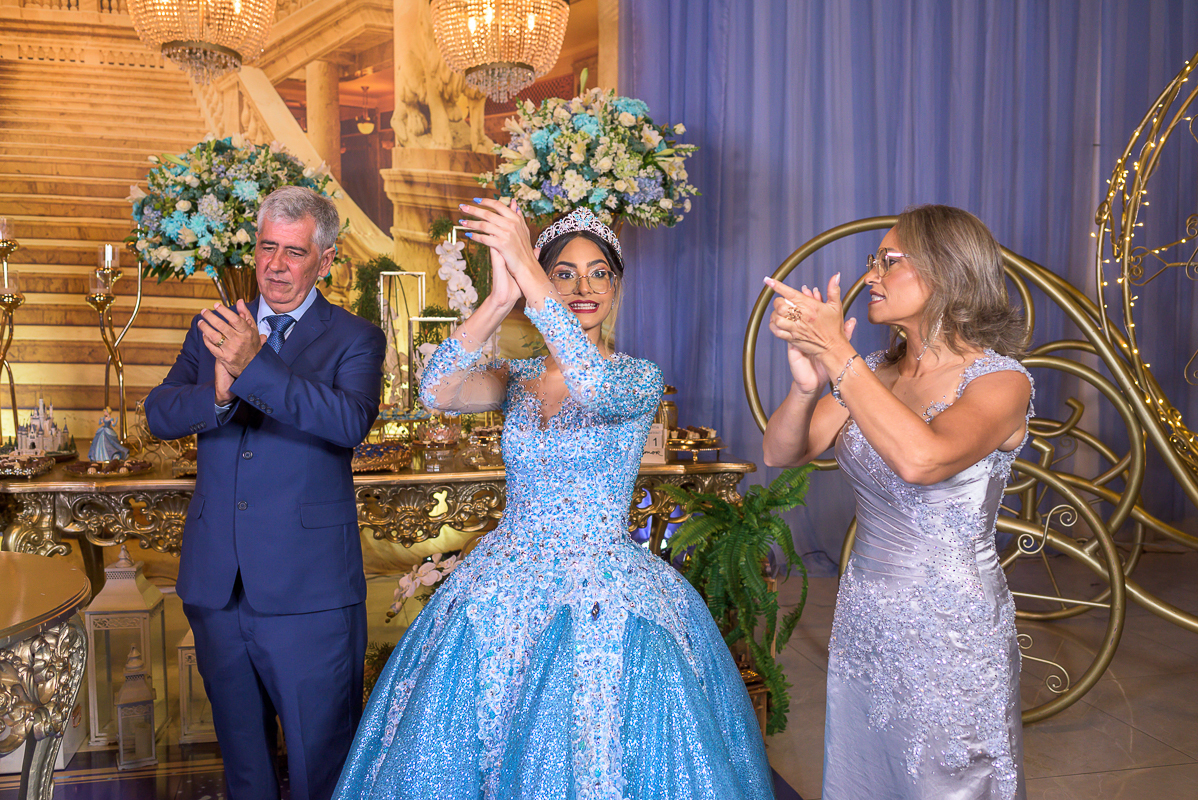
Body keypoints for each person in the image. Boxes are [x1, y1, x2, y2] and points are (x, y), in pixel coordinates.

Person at [334, 204, 775, 800]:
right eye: (563, 274)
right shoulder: (517, 378)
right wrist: (500, 298)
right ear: (539, 282)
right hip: (504, 578)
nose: (583, 287)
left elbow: (590, 383)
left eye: (599, 273)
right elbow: (436, 390)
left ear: (617, 287)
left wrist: (530, 270)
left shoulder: (635, 378)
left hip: (602, 586)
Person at [761, 205, 1031, 800]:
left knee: (947, 781)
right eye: (872, 261)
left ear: (947, 269)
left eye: (889, 262)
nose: (870, 276)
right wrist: (806, 387)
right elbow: (782, 451)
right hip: (866, 618)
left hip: (951, 628)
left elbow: (923, 460)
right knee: (869, 777)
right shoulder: (874, 373)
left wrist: (837, 353)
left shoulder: (1001, 381)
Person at [145, 186, 386, 800]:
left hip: (310, 594)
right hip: (217, 588)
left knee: (319, 767)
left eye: (294, 252)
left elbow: (348, 422)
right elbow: (159, 412)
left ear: (325, 260)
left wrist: (254, 364)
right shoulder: (214, 327)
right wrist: (217, 393)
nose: (275, 265)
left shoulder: (356, 337)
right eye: (266, 248)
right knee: (245, 770)